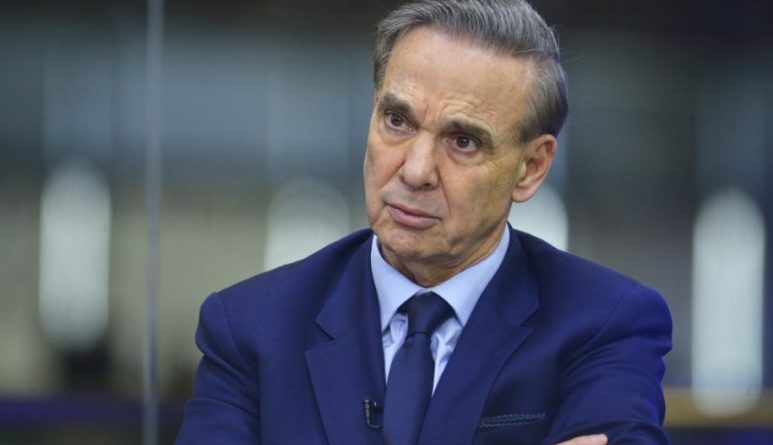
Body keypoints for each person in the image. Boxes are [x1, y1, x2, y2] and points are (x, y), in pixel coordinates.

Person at [175, 1, 672, 444]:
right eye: (398, 121)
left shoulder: (604, 324)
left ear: (531, 168)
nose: (415, 171)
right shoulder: (250, 327)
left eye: (463, 142)